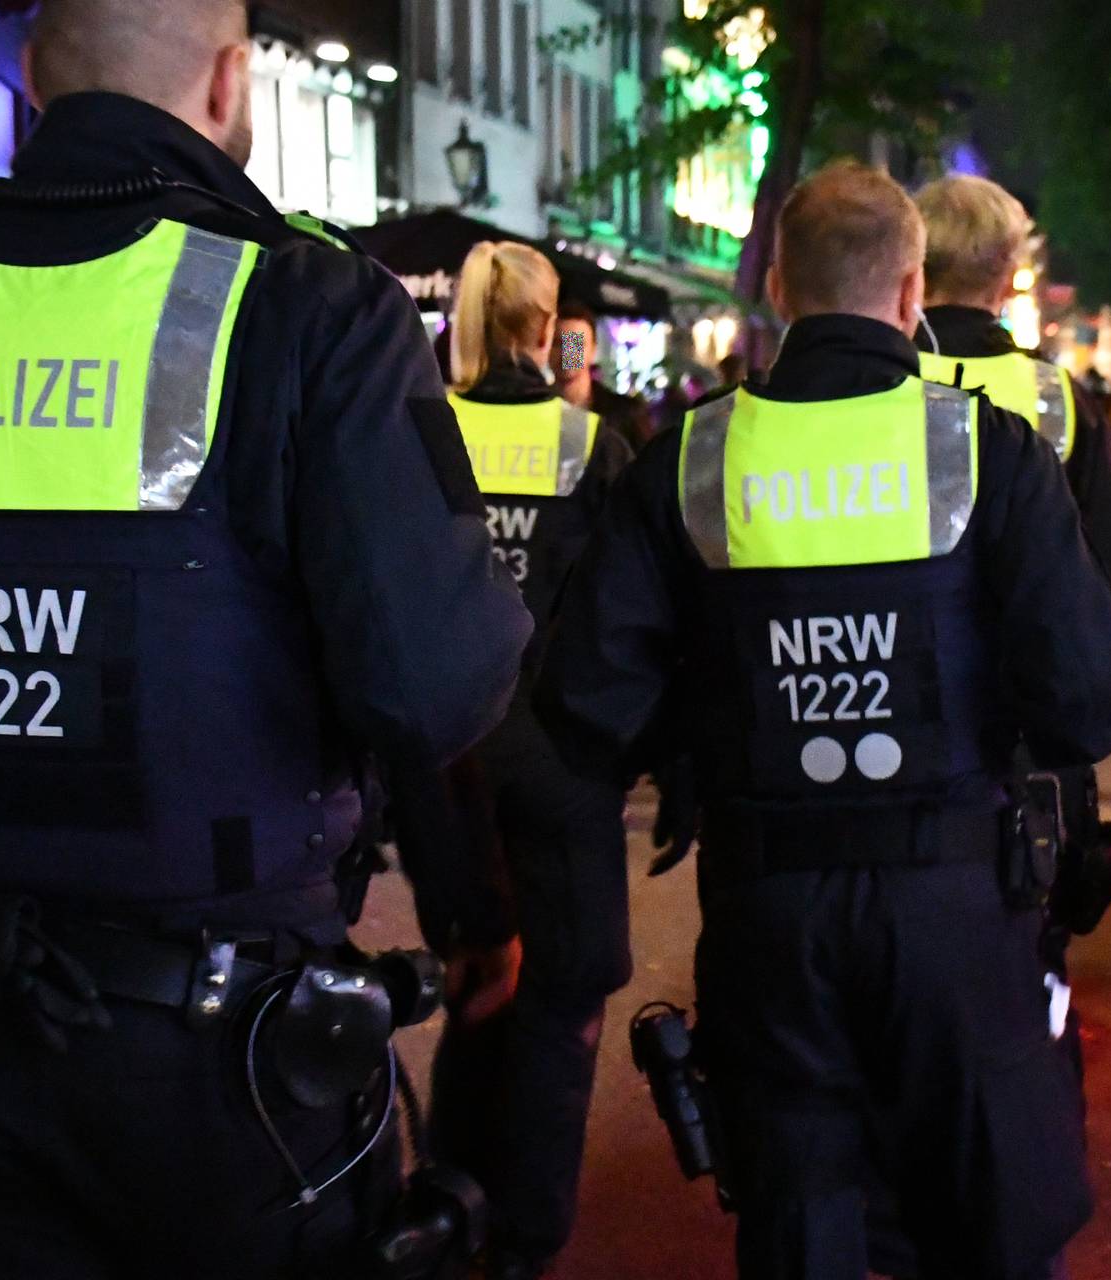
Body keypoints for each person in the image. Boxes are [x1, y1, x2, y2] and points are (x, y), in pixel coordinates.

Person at [0, 1, 533, 1272]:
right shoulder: (306, 308)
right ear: (230, 82)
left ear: (33, 75)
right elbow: (435, 681)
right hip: (231, 1067)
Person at [537, 161, 1111, 1280]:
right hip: (957, 902)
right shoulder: (982, 451)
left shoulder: (695, 461)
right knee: (991, 1220)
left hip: (772, 912)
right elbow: (1087, 697)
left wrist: (710, 717)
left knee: (803, 1223)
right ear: (912, 293)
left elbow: (583, 705)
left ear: (775, 284)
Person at [415, 243, 636, 1280]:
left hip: (448, 757)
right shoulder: (591, 446)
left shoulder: (420, 432)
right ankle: (527, 1236)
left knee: (478, 980)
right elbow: (626, 618)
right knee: (563, 1000)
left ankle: (452, 1197)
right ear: (550, 329)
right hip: (558, 754)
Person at [911, 172, 1111, 855]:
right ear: (1008, 277)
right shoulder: (1055, 400)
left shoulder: (881, 385)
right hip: (1030, 733)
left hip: (900, 712)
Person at [554, 299, 654, 454]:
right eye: (557, 343)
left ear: (593, 350)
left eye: (575, 344)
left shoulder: (625, 414)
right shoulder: (533, 410)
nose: (567, 354)